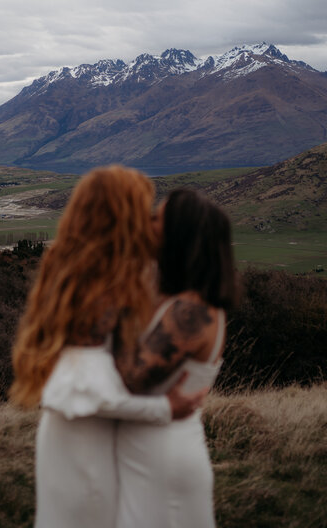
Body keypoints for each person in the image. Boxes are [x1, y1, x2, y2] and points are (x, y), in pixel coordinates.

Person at [10, 167, 206, 528]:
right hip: (83, 443)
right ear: (122, 214)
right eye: (143, 209)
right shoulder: (98, 288)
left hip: (80, 435)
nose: (149, 220)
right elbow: (93, 393)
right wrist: (166, 408)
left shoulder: (78, 268)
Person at [114, 187, 239, 528]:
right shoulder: (173, 298)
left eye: (156, 219)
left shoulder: (193, 311)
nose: (147, 223)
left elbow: (131, 377)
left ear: (178, 234)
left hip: (164, 458)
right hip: (144, 449)